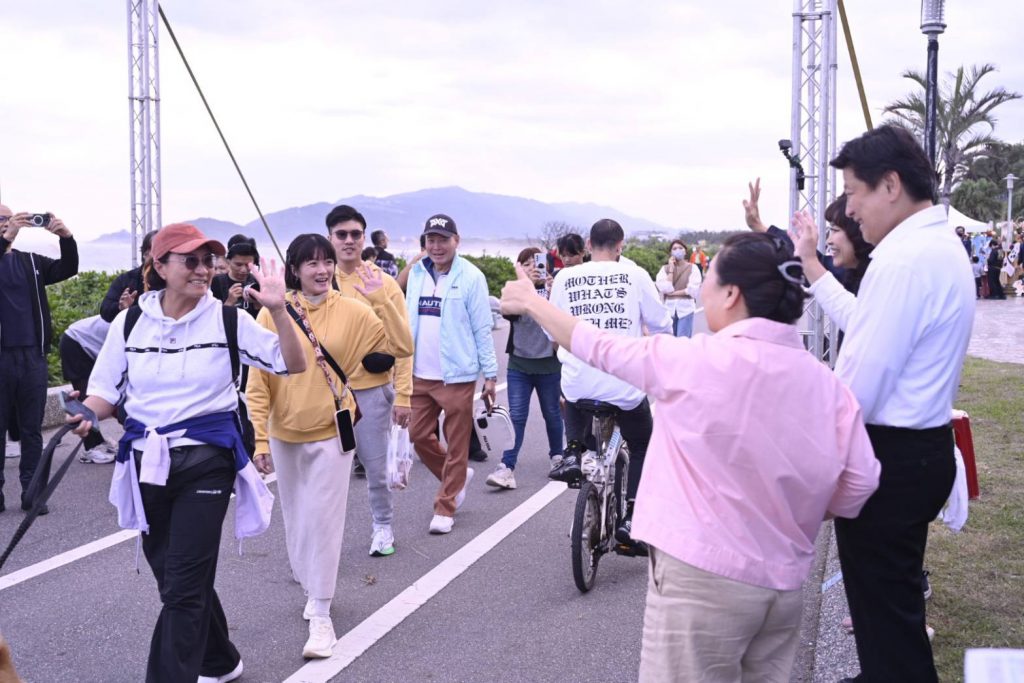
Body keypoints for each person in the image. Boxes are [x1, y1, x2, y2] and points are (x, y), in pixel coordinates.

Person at [500, 231, 880, 683]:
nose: (704, 289)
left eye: (711, 277)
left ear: (732, 294)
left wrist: (532, 301)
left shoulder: (691, 361)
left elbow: (594, 344)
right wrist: (785, 509)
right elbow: (859, 484)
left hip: (700, 583)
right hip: (782, 587)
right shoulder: (828, 385)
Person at [68, 223, 306, 683]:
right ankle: (220, 660)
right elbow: (103, 392)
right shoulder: (130, 322)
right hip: (147, 462)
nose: (203, 270)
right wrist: (86, 415)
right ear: (159, 266)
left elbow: (292, 363)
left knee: (181, 588)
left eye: (208, 261)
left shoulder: (228, 320)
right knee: (175, 578)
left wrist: (278, 310)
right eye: (190, 261)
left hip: (207, 461)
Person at [791, 124, 975, 683]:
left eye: (854, 192)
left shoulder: (903, 260)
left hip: (891, 460)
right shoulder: (932, 247)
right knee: (889, 615)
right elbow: (870, 327)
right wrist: (815, 267)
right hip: (918, 453)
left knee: (887, 624)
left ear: (890, 185)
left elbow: (855, 388)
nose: (849, 209)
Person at [247, 233, 406, 658]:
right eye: (312, 263)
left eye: (327, 262)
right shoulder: (273, 312)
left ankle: (321, 611)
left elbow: (402, 347)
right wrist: (260, 437)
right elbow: (258, 381)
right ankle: (311, 586)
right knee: (297, 520)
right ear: (294, 269)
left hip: (332, 433)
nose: (322, 270)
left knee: (324, 520)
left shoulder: (353, 310)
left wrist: (383, 300)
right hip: (285, 433)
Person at [547, 218, 671, 546]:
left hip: (579, 384)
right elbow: (661, 324)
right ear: (620, 246)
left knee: (572, 391)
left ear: (588, 245)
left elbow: (551, 329)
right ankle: (632, 516)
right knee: (642, 444)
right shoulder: (635, 275)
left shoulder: (565, 277)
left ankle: (572, 451)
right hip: (623, 384)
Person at [325, 205, 414, 557]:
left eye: (355, 234)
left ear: (364, 238)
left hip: (371, 392)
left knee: (375, 468)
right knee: (325, 473)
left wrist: (403, 395)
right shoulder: (318, 279)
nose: (348, 241)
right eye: (341, 234)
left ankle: (382, 526)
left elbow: (404, 342)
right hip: (326, 395)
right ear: (330, 238)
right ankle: (321, 539)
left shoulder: (383, 282)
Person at [405, 213, 498, 535]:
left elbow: (482, 328)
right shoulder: (417, 273)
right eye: (431, 240)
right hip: (420, 373)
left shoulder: (471, 276)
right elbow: (406, 318)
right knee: (417, 435)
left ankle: (445, 506)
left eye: (443, 240)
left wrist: (490, 375)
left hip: (456, 374)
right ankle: (456, 477)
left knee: (457, 444)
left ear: (456, 241)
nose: (437, 246)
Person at [0, 205, 78, 514]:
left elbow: (67, 268)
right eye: (1, 219)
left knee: (32, 429)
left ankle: (31, 493)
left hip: (33, 355)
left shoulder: (30, 261)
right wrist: (6, 238)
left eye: (8, 218)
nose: (6, 223)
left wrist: (66, 237)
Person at [486, 247, 563, 490]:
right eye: (526, 264)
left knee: (552, 413)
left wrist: (549, 291)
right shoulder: (514, 290)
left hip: (549, 364)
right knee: (517, 416)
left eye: (536, 262)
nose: (532, 267)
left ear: (547, 265)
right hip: (520, 364)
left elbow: (562, 317)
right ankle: (506, 467)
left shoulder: (555, 289)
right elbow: (508, 312)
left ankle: (557, 458)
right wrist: (525, 286)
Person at [59, 314, 119, 463]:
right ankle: (91, 448)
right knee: (87, 395)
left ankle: (99, 442)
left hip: (86, 344)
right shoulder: (131, 321)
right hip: (75, 343)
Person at [99, 230, 157, 322]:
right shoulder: (126, 280)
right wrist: (120, 307)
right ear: (145, 253)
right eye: (157, 249)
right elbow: (105, 310)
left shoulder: (171, 280)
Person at [655, 239, 702, 337]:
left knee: (682, 340)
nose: (678, 250)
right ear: (671, 252)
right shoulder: (665, 269)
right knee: (670, 341)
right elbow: (666, 288)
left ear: (685, 251)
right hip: (669, 310)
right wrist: (671, 269)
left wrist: (673, 293)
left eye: (680, 248)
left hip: (686, 310)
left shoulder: (693, 268)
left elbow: (692, 290)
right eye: (674, 248)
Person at [211, 234, 262, 318]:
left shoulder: (257, 282)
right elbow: (211, 317)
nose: (243, 270)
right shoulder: (216, 282)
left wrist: (259, 303)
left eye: (248, 265)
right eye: (238, 265)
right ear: (228, 261)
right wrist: (229, 302)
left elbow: (261, 319)